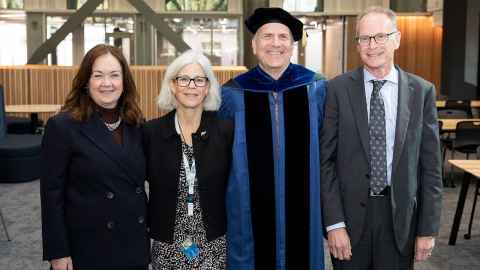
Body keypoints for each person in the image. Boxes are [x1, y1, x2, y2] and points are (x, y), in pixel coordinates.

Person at [320, 6, 443, 270]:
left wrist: (427, 229)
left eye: (380, 36)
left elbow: (431, 167)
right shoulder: (336, 90)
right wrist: (334, 223)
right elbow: (324, 161)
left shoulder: (421, 92)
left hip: (401, 221)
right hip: (349, 221)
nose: (371, 45)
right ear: (357, 44)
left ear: (396, 39)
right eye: (364, 38)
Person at [219, 7, 326, 270]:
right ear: (254, 45)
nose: (275, 43)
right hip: (247, 216)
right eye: (267, 36)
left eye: (283, 37)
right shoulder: (232, 94)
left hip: (305, 213)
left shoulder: (316, 88)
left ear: (292, 45)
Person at [40, 44, 149, 270]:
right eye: (98, 75)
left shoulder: (136, 123)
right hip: (87, 248)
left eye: (114, 75)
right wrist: (58, 252)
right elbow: (51, 195)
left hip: (133, 244)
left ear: (124, 82)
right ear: (86, 82)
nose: (107, 83)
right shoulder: (62, 126)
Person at [143, 50, 233, 270]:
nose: (191, 86)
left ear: (207, 88)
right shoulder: (151, 132)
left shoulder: (226, 131)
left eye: (199, 80)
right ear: (172, 86)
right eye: (183, 79)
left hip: (214, 243)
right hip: (168, 244)